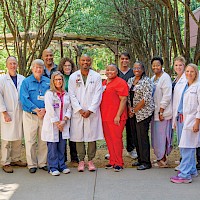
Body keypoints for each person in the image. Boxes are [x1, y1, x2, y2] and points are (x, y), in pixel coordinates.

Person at [68, 54, 104, 172]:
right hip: (78, 112)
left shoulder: (97, 76)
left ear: (91, 62)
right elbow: (71, 95)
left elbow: (98, 94)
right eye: (83, 60)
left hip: (91, 112)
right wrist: (79, 109)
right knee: (78, 136)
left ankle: (91, 160)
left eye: (88, 60)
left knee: (91, 136)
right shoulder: (74, 76)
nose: (85, 62)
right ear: (79, 61)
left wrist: (90, 110)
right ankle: (81, 160)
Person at [170, 63, 200, 184]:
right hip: (183, 119)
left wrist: (197, 122)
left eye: (191, 71)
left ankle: (185, 175)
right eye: (187, 71)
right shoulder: (186, 86)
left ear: (196, 73)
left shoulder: (198, 86)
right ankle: (192, 169)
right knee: (185, 146)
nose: (189, 74)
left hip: (192, 121)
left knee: (187, 147)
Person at [105, 52, 137, 160]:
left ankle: (130, 149)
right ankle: (113, 153)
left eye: (126, 58)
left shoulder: (133, 72)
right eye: (122, 58)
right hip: (114, 108)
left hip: (130, 104)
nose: (124, 60)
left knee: (130, 129)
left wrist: (132, 107)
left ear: (129, 60)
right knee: (114, 134)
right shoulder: (113, 75)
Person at [20, 59, 50, 173]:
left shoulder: (47, 81)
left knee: (43, 140)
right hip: (30, 115)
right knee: (30, 140)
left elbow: (51, 96)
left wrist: (45, 109)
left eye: (40, 67)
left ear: (43, 69)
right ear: (32, 68)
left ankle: (42, 163)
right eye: (36, 67)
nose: (38, 69)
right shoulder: (26, 82)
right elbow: (23, 98)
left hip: (45, 115)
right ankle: (32, 164)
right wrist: (36, 109)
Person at [41, 71, 71, 176]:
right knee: (52, 146)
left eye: (60, 79)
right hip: (53, 124)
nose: (59, 81)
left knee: (62, 146)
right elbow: (50, 110)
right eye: (56, 79)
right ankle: (53, 167)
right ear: (53, 81)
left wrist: (64, 121)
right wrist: (58, 123)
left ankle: (62, 165)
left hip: (63, 124)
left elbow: (69, 108)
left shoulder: (66, 94)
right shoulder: (49, 94)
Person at [0, 56, 27, 173]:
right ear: (6, 65)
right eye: (10, 63)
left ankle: (15, 159)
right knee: (6, 139)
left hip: (20, 112)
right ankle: (5, 162)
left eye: (14, 63)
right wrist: (4, 112)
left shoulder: (22, 78)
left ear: (17, 65)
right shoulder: (1, 79)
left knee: (18, 137)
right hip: (7, 112)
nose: (12, 66)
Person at [101, 64, 128, 172]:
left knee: (116, 139)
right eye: (107, 70)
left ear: (117, 72)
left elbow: (124, 99)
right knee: (109, 139)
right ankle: (112, 160)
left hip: (116, 117)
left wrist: (118, 115)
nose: (109, 72)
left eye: (112, 70)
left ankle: (119, 162)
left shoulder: (120, 82)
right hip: (105, 116)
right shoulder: (104, 83)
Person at [128, 61, 154, 170]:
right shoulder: (130, 80)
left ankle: (146, 162)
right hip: (132, 113)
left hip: (143, 113)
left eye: (139, 68)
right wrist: (130, 109)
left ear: (143, 69)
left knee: (142, 137)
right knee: (135, 137)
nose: (136, 70)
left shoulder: (146, 81)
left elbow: (146, 99)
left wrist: (134, 110)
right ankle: (140, 159)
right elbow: (128, 96)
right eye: (134, 68)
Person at [151, 56, 173, 167]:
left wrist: (161, 111)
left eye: (158, 65)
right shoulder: (153, 78)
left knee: (162, 136)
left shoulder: (165, 77)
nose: (156, 67)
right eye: (154, 65)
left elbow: (167, 96)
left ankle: (163, 158)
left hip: (162, 113)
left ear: (162, 65)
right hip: (154, 112)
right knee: (156, 137)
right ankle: (159, 156)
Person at [57, 57, 79, 164]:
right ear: (62, 67)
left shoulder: (75, 77)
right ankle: (63, 157)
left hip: (74, 109)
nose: (67, 67)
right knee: (63, 134)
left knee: (73, 133)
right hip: (63, 109)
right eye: (65, 66)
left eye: (69, 66)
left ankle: (74, 157)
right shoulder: (60, 78)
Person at [172, 56, 187, 171]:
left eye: (180, 65)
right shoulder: (176, 79)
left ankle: (185, 163)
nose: (178, 67)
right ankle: (183, 160)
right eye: (176, 65)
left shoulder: (187, 79)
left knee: (184, 139)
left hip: (183, 114)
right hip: (176, 113)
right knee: (181, 138)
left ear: (184, 66)